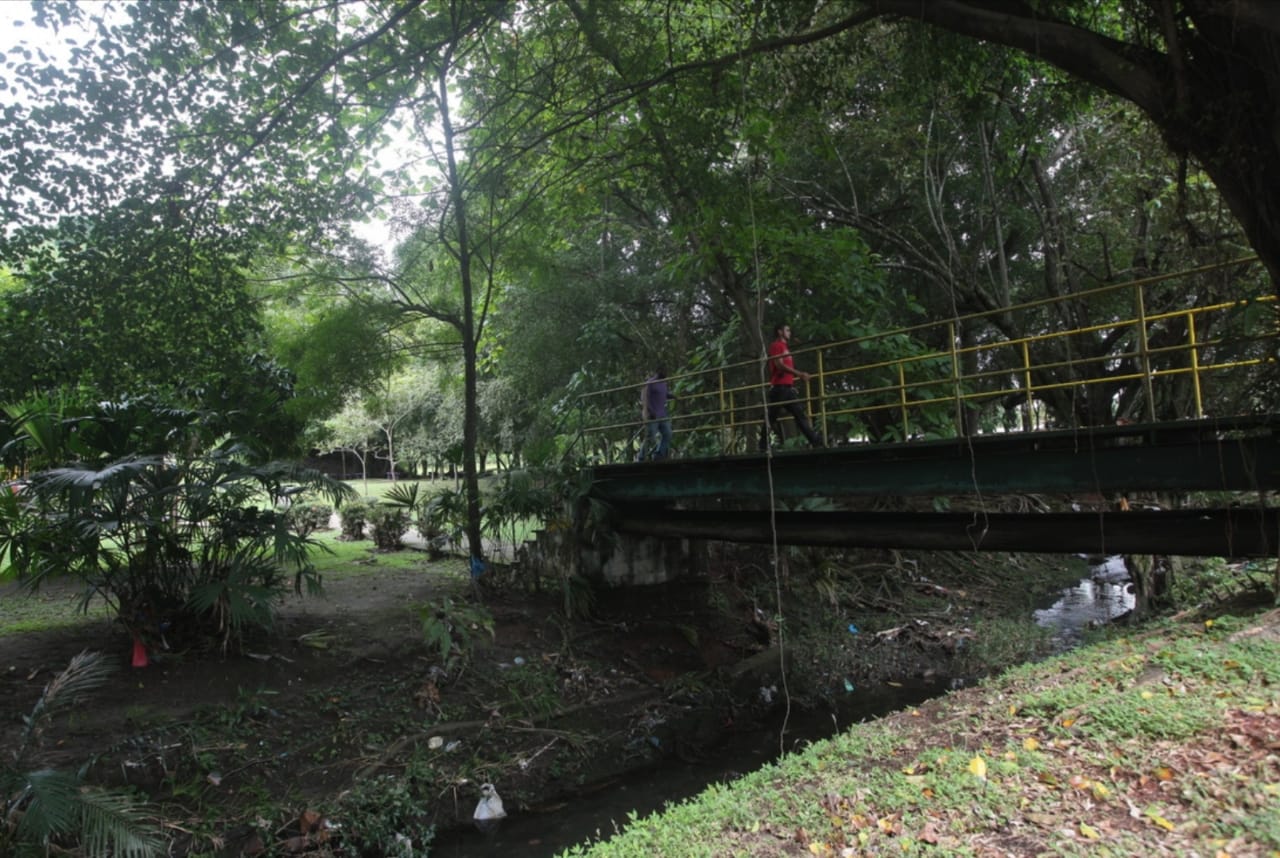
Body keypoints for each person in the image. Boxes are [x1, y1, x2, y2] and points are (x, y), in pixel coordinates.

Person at [759, 323, 824, 450]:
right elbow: (779, 364)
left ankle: (815, 440)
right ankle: (763, 444)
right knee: (772, 417)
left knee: (799, 414)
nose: (790, 332)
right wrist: (799, 374)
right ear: (780, 332)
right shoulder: (776, 345)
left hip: (788, 388)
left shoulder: (785, 347)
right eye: (787, 330)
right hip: (779, 388)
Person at [640, 366, 673, 460]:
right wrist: (649, 411)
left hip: (662, 414)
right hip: (653, 414)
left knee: (668, 434)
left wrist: (672, 396)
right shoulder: (650, 383)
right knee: (650, 437)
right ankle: (641, 457)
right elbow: (644, 397)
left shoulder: (663, 383)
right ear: (658, 371)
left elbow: (663, 394)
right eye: (664, 371)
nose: (666, 374)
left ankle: (659, 454)